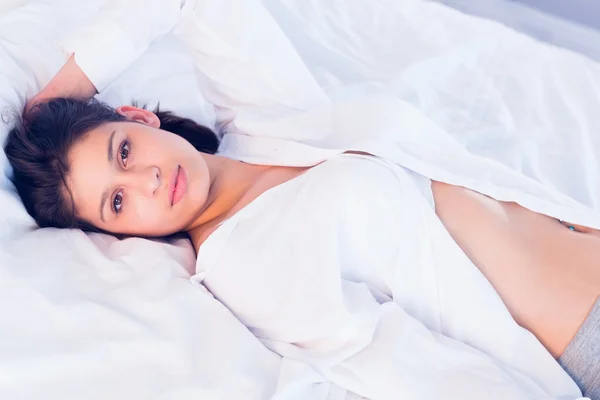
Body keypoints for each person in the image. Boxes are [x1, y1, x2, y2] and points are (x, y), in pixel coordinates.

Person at [3, 0, 600, 398]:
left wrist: (59, 98)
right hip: (583, 335)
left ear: (136, 117)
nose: (146, 183)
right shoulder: (247, 265)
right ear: (121, 235)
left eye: (123, 152)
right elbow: (418, 369)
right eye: (116, 203)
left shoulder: (265, 122)